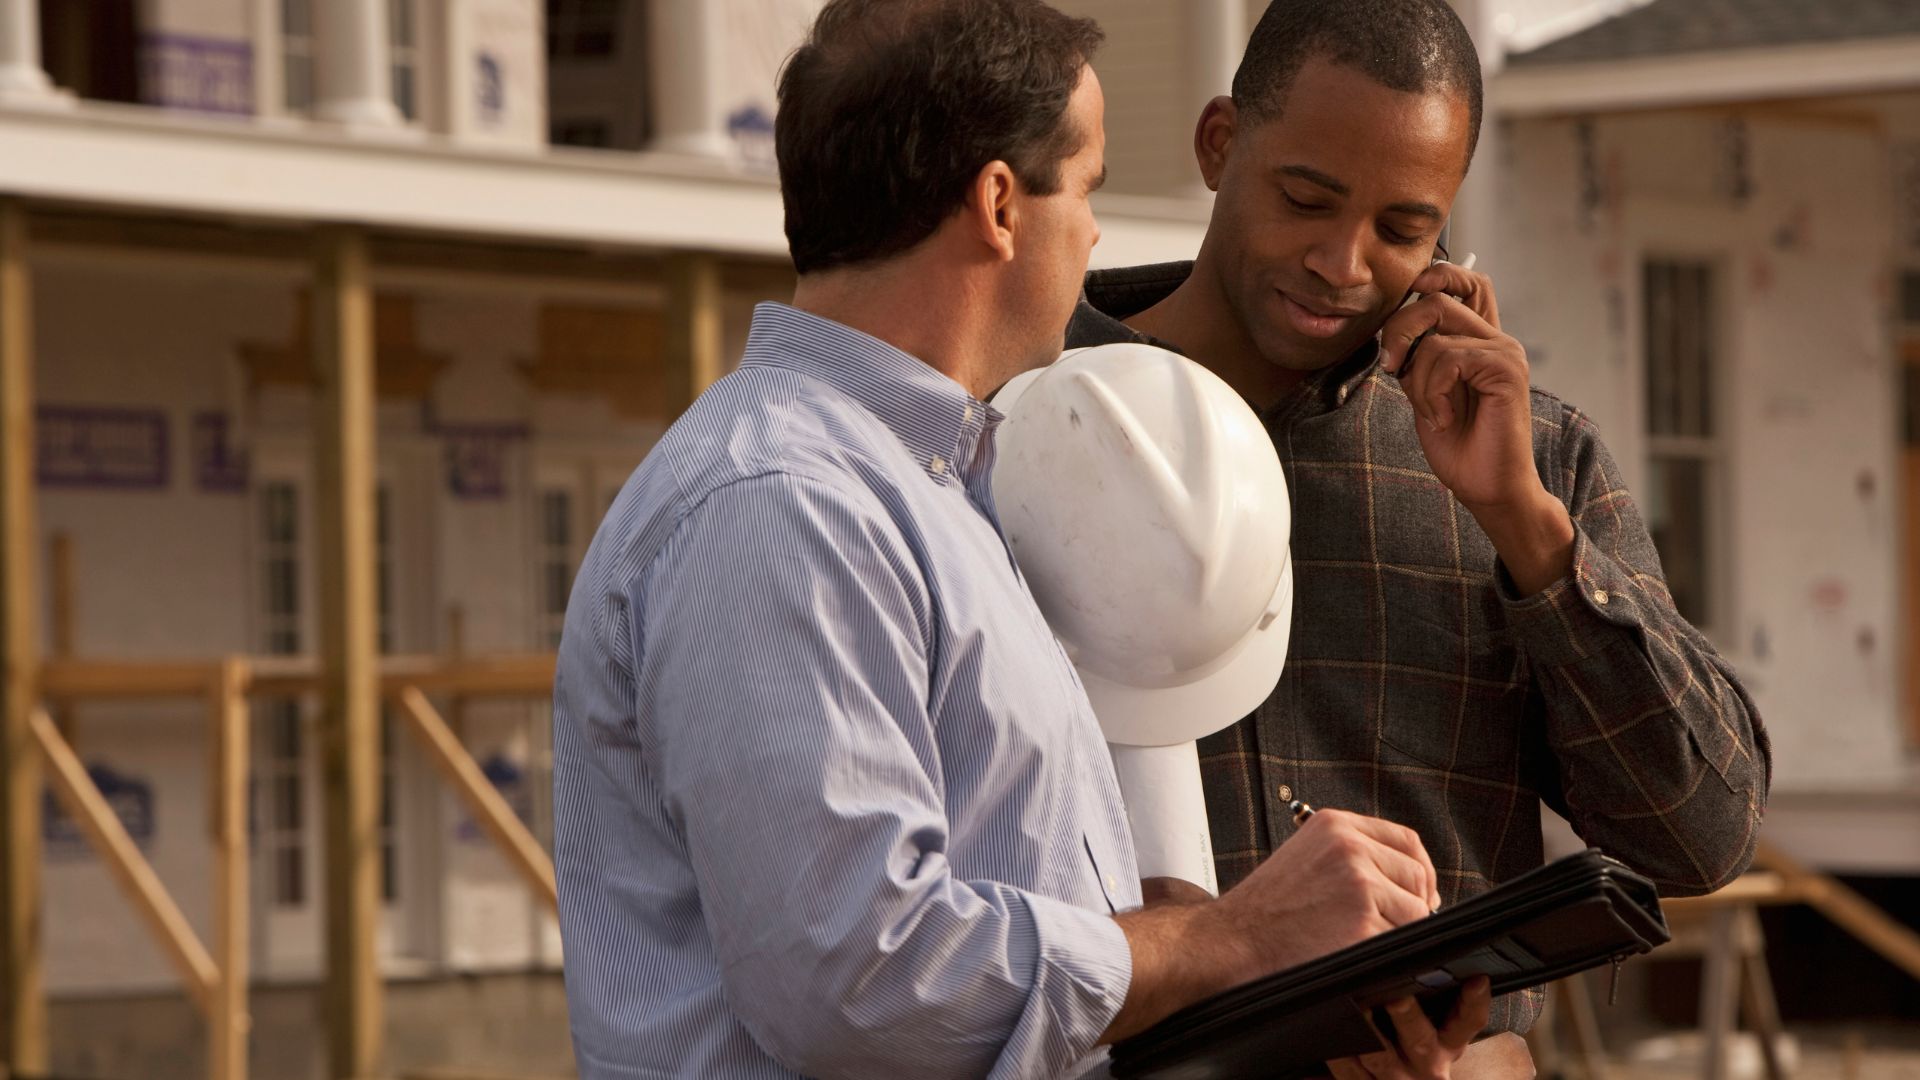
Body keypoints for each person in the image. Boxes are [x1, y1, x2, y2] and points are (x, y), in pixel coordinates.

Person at [552, 1, 1493, 1077]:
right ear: (1000, 202)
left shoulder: (934, 489)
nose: (1094, 235)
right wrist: (1235, 937)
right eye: (1086, 187)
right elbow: (862, 983)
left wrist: (1287, 990)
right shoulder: (783, 503)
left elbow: (998, 962)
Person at [1064, 1, 1772, 1074]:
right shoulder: (1028, 417)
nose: (1341, 262)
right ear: (1219, 145)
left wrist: (1525, 526)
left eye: (1403, 229)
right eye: (1306, 199)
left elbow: (1701, 834)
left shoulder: (1530, 456)